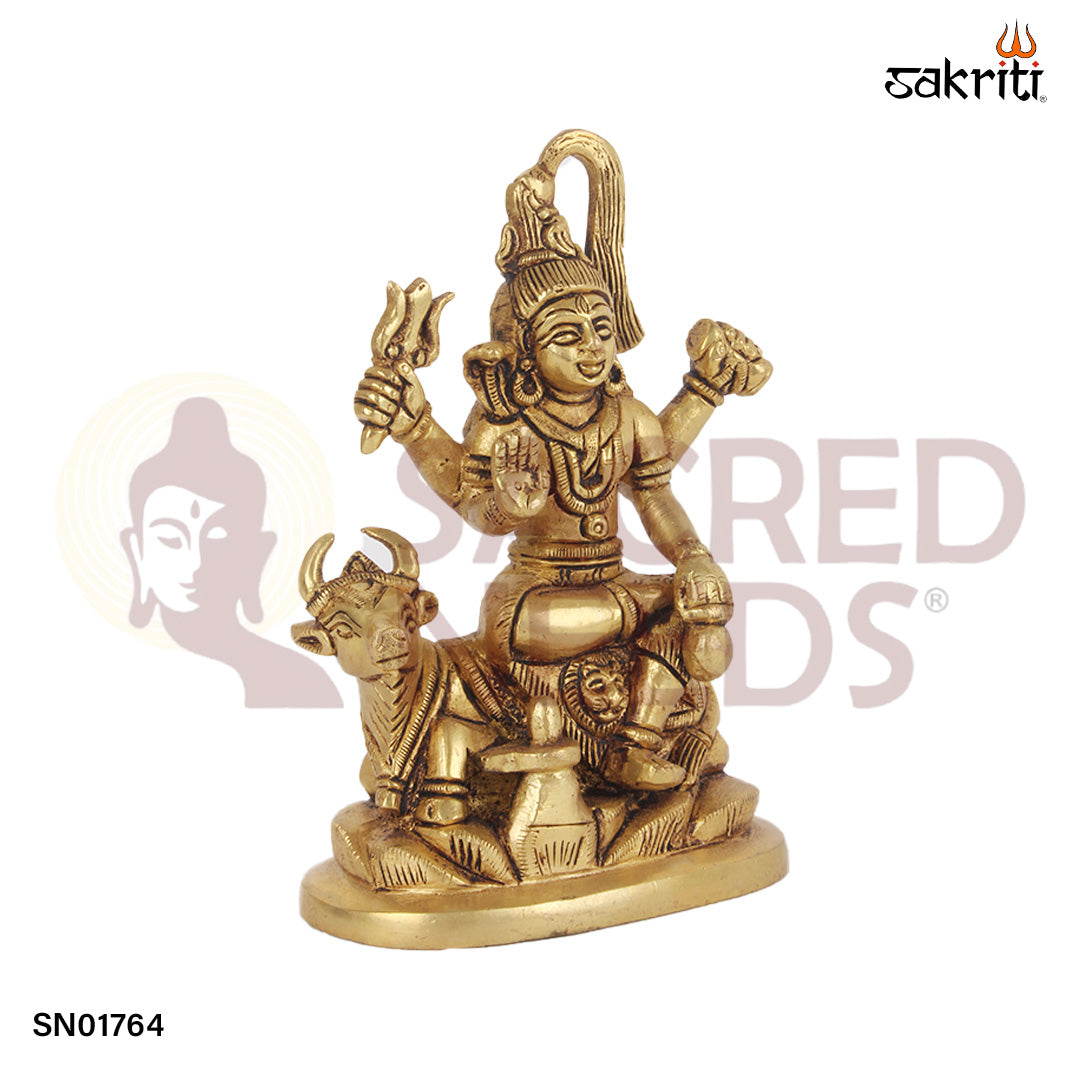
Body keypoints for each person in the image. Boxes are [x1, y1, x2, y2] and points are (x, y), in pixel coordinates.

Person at [354, 131, 745, 789]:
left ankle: (636, 744)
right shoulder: (506, 420)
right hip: (535, 601)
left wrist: (693, 558)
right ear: (526, 352)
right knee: (568, 620)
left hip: (613, 581)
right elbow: (474, 507)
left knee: (702, 617)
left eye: (600, 329)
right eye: (567, 335)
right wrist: (493, 491)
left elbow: (654, 493)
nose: (591, 347)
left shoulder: (627, 415)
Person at [121, 397, 342, 708]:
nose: (195, 562)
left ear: (257, 555)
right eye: (170, 538)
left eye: (218, 538)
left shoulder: (296, 682)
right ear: (137, 552)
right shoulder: (110, 670)